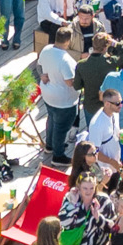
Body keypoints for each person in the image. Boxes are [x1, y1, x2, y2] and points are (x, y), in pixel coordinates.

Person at [37, 28, 81, 162]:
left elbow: (39, 66)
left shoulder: (46, 49)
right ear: (69, 41)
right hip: (64, 101)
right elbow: (69, 82)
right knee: (61, 128)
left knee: (51, 120)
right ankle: (58, 155)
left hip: (47, 94)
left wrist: (41, 75)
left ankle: (50, 146)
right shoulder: (66, 60)